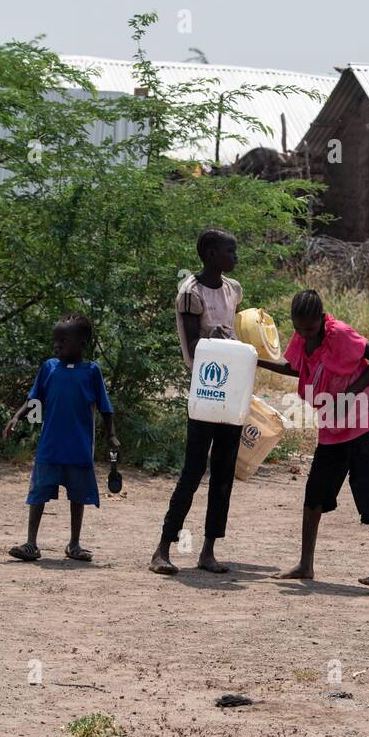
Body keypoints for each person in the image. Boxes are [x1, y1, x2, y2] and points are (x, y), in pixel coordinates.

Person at [259, 290, 369, 585]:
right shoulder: (302, 338)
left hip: (363, 419)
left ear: (321, 319)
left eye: (309, 328)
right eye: (298, 329)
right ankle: (306, 564)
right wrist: (257, 361)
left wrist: (351, 393)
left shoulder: (341, 334)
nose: (304, 335)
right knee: (315, 491)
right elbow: (294, 368)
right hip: (333, 422)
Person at [150, 228, 245, 574]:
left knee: (223, 473)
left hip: (231, 388)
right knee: (193, 470)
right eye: (229, 251)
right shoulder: (191, 293)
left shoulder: (233, 289)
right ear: (209, 254)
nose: (235, 257)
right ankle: (163, 548)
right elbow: (192, 349)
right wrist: (211, 335)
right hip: (205, 389)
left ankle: (208, 550)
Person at [3, 313, 117, 562]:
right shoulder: (49, 368)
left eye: (64, 340)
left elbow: (105, 406)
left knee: (77, 496)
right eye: (56, 341)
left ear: (82, 342)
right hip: (50, 446)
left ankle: (74, 544)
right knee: (38, 493)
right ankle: (31, 543)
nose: (58, 345)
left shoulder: (91, 372)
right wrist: (16, 418)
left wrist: (111, 435)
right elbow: (35, 399)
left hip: (78, 448)